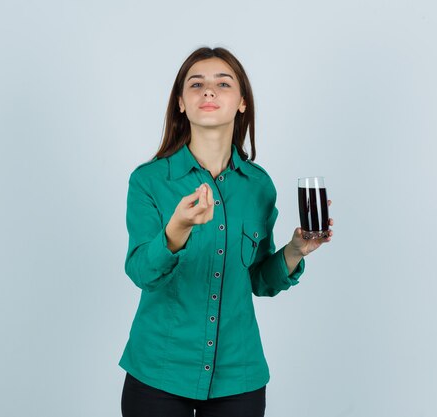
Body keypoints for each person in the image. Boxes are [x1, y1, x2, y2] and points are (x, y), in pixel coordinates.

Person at [119, 46, 333, 417]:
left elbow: (259, 280)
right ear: (181, 103)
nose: (209, 91)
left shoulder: (258, 186)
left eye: (222, 83)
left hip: (239, 376)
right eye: (196, 84)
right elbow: (141, 273)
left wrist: (296, 250)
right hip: (159, 372)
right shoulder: (149, 181)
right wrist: (177, 229)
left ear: (242, 102)